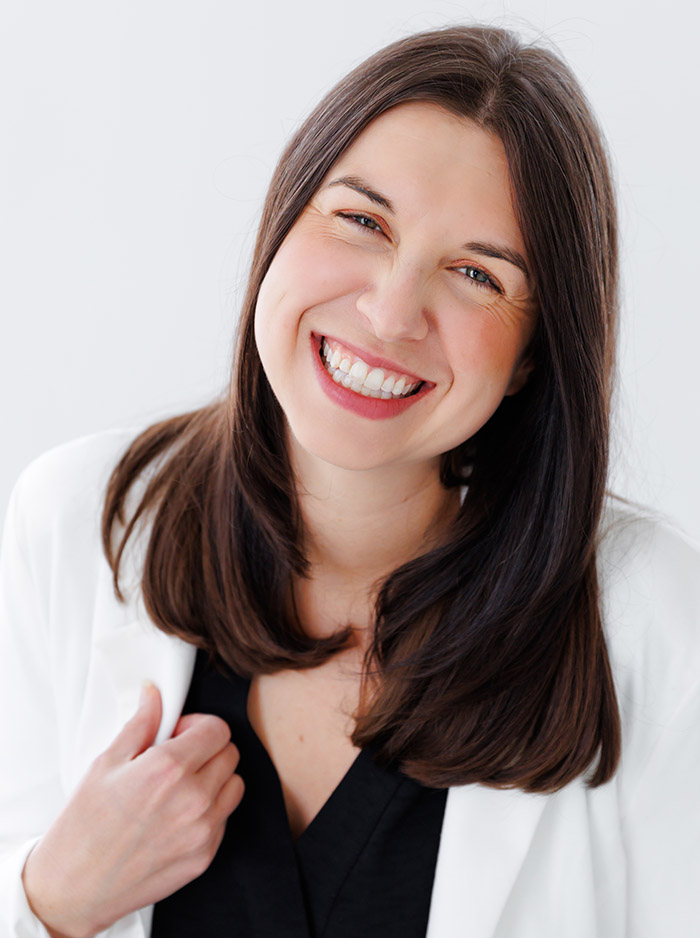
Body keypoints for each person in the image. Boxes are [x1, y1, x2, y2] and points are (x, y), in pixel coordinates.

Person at [1, 21, 699, 938]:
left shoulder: (654, 621)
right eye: (363, 221)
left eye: (476, 274)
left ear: (532, 356)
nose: (391, 312)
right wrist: (49, 900)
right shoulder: (74, 522)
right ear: (283, 221)